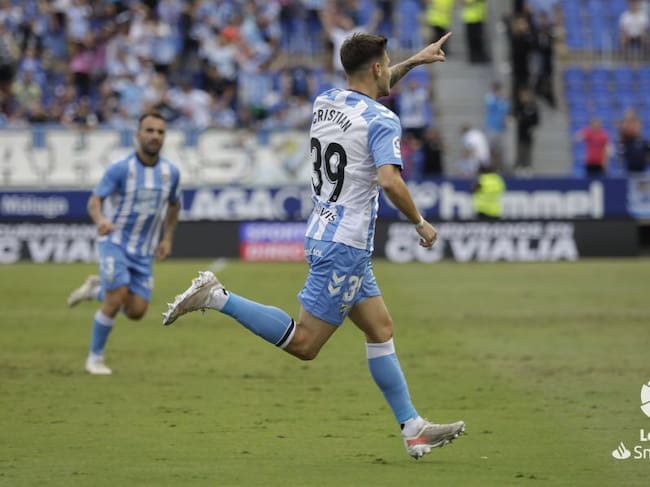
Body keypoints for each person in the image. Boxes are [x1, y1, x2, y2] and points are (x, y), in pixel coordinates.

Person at [162, 32, 465, 460]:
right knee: (305, 344)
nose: (388, 70)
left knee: (380, 329)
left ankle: (413, 428)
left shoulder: (326, 101)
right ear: (377, 67)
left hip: (325, 232)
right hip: (346, 245)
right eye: (387, 62)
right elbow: (389, 180)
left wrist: (415, 60)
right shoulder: (382, 120)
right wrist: (420, 222)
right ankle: (216, 296)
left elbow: (373, 87)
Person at [66, 112, 181, 375]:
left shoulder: (171, 173)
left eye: (160, 132)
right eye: (149, 130)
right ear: (138, 135)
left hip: (144, 251)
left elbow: (174, 206)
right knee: (116, 297)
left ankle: (95, 289)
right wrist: (100, 220)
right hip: (114, 242)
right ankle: (95, 359)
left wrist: (167, 238)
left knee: (137, 311)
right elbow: (95, 201)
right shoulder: (120, 168)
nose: (155, 136)